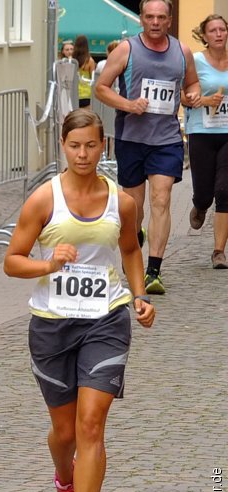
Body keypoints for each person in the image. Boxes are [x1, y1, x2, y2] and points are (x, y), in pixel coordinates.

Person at [4, 109, 155, 492]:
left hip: (105, 320)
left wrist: (139, 295)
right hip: (52, 324)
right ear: (63, 148)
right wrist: (48, 264)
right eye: (75, 146)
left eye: (91, 145)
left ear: (103, 146)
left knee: (92, 424)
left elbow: (129, 248)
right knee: (64, 431)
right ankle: (62, 476)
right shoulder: (42, 200)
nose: (83, 154)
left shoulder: (121, 202)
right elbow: (12, 261)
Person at [95, 0, 201, 294]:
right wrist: (128, 104)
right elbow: (101, 88)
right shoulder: (127, 50)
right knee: (134, 207)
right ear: (141, 19)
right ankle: (137, 233)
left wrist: (191, 96)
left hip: (166, 139)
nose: (155, 22)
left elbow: (192, 85)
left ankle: (153, 271)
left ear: (169, 21)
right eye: (149, 17)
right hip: (132, 138)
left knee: (162, 198)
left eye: (161, 17)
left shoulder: (182, 52)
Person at [184, 14, 228, 269]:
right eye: (213, 30)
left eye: (222, 29)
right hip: (201, 130)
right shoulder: (196, 60)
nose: (219, 34)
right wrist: (198, 99)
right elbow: (183, 94)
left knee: (225, 190)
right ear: (205, 35)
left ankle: (219, 251)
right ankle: (200, 206)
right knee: (205, 192)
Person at [73, 35, 96, 109]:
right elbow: (93, 78)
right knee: (85, 117)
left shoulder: (72, 60)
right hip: (86, 94)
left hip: (74, 92)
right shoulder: (90, 61)